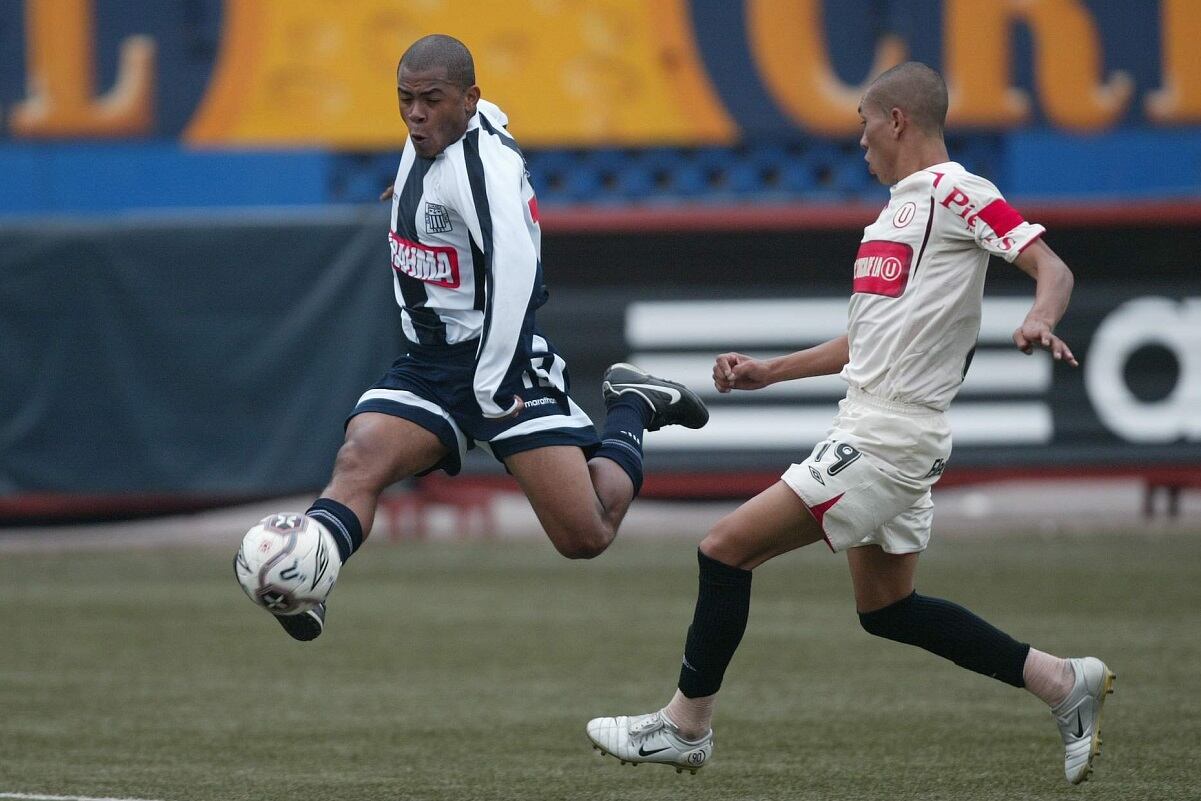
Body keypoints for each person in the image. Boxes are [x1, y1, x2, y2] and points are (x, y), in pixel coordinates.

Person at [584, 62, 1113, 786]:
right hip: (878, 423)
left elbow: (1051, 267)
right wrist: (769, 371)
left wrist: (1038, 317)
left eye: (864, 122)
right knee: (887, 608)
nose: (859, 139)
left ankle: (684, 725)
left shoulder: (956, 191)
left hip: (889, 436)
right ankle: (1062, 681)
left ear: (896, 119)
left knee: (723, 550)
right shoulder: (891, 216)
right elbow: (864, 341)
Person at [237, 34, 708, 642]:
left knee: (585, 534)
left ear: (468, 98)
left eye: (430, 100)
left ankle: (633, 405)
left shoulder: (480, 169)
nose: (415, 114)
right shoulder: (440, 133)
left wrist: (492, 381)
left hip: (500, 366)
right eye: (405, 99)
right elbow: (460, 157)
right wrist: (409, 197)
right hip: (430, 366)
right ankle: (309, 582)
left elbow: (518, 275)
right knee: (360, 459)